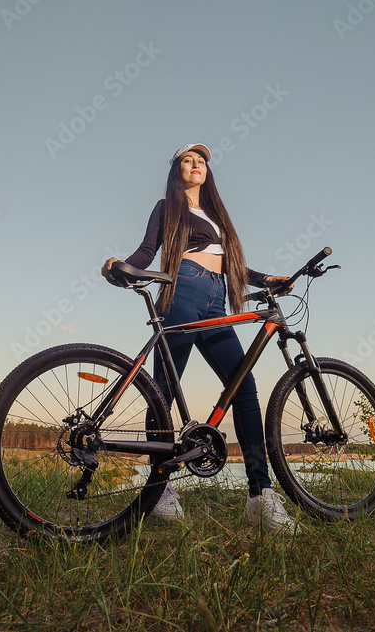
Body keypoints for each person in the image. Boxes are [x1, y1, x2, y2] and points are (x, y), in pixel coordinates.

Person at [101, 142, 297, 533]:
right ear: (177, 171)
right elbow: (146, 251)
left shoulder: (215, 215)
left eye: (202, 161)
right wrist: (121, 264)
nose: (196, 165)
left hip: (216, 297)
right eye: (188, 160)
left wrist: (264, 279)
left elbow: (231, 264)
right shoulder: (167, 207)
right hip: (183, 289)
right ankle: (159, 489)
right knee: (163, 391)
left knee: (243, 386)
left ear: (209, 171)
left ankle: (260, 495)